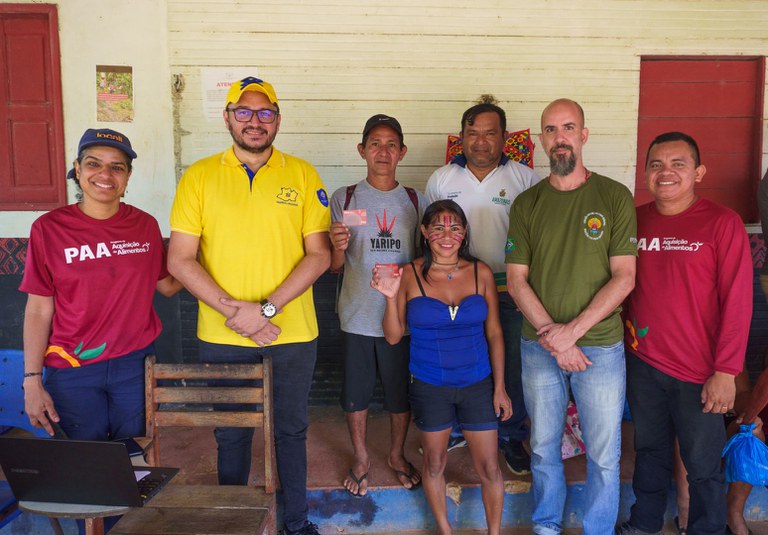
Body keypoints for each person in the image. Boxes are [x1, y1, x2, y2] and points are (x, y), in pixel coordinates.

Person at [168, 77, 330, 535]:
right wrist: (237, 312)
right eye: (243, 112)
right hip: (224, 334)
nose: (254, 121)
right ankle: (233, 522)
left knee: (290, 431)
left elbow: (319, 255)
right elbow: (180, 260)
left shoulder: (302, 174)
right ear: (227, 118)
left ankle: (295, 523)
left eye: (265, 113)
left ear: (277, 120)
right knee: (231, 432)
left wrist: (266, 310)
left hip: (292, 332)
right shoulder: (199, 176)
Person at [506, 98, 637, 535]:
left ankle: (598, 529)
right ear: (541, 139)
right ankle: (546, 525)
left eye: (567, 128)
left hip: (599, 346)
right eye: (550, 129)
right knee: (543, 448)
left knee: (604, 453)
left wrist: (572, 334)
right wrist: (555, 339)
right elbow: (516, 281)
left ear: (583, 135)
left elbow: (624, 277)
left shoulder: (614, 196)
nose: (559, 137)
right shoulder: (526, 204)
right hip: (539, 348)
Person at [619, 131, 752, 535]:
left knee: (703, 464)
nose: (666, 172)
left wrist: (726, 372)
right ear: (645, 173)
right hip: (643, 362)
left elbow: (738, 301)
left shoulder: (722, 222)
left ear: (699, 172)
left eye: (678, 164)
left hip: (700, 371)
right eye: (656, 164)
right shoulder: (634, 220)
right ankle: (644, 524)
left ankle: (706, 528)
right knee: (649, 451)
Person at [21, 128, 180, 441]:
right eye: (94, 164)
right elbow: (38, 309)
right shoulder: (48, 229)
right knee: (85, 458)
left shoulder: (145, 225)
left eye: (117, 167)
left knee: (135, 451)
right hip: (72, 366)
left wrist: (204, 251)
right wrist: (31, 380)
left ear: (128, 176)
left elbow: (168, 285)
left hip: (135, 363)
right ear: (78, 169)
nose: (105, 174)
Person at [372, 199, 512, 535]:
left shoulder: (481, 272)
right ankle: (445, 530)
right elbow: (393, 336)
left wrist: (500, 387)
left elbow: (494, 333)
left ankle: (494, 532)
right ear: (424, 231)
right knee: (434, 463)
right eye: (438, 228)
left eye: (455, 228)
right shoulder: (408, 274)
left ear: (464, 232)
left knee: (490, 467)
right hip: (429, 384)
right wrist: (389, 297)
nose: (447, 236)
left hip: (477, 382)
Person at [425, 102, 540, 474]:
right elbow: (430, 233)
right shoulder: (442, 179)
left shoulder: (525, 178)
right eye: (472, 133)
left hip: (510, 291)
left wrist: (530, 292)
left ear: (504, 137)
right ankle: (460, 428)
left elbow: (539, 239)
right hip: (456, 290)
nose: (480, 141)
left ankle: (510, 433)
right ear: (461, 136)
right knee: (460, 359)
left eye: (490, 133)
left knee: (512, 364)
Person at [330, 114, 424, 497]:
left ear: (402, 152)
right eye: (375, 144)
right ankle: (362, 457)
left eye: (391, 145)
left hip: (400, 318)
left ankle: (397, 455)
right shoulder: (344, 197)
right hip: (356, 314)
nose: (383, 152)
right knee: (356, 394)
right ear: (362, 150)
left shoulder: (415, 201)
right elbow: (335, 266)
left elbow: (423, 260)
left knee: (399, 394)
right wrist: (337, 249)